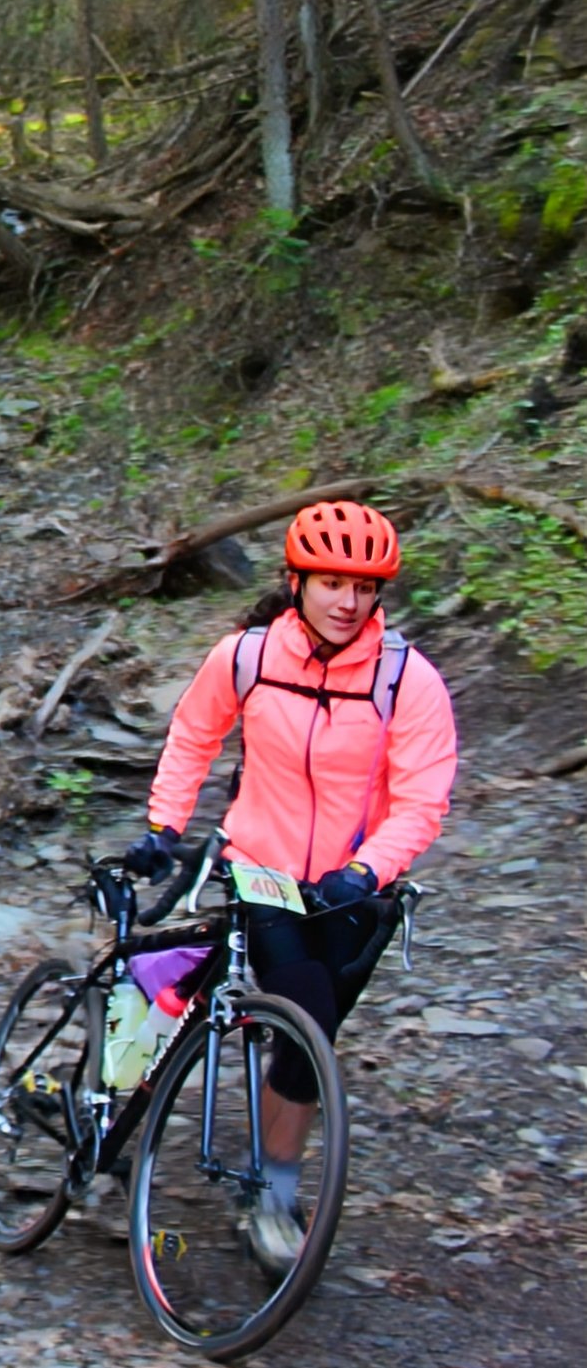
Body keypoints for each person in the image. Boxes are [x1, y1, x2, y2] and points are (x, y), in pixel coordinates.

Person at [126, 498, 457, 1269]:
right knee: (302, 1011)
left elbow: (422, 799)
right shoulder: (245, 657)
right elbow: (193, 734)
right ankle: (275, 1192)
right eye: (332, 582)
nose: (348, 601)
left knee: (311, 1042)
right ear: (297, 580)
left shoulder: (408, 680)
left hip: (356, 889)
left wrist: (368, 869)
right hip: (264, 870)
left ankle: (271, 1171)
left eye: (365, 587)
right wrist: (165, 827)